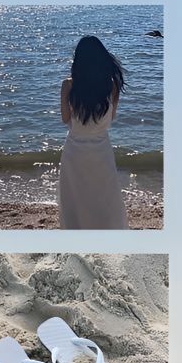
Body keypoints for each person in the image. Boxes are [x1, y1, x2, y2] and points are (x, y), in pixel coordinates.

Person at [58, 35, 128, 229]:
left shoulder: (68, 85)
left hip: (75, 152)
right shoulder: (112, 85)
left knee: (75, 201)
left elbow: (65, 119)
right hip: (101, 151)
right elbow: (111, 117)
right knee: (105, 201)